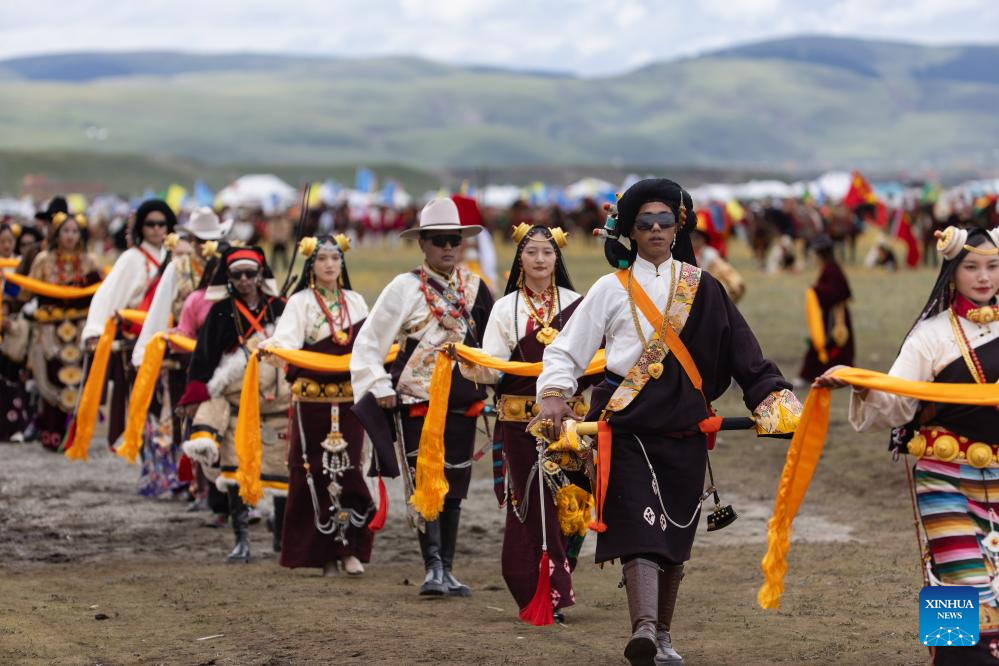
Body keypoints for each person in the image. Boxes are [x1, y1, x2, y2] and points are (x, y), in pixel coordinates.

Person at [534, 178, 801, 666]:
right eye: (644, 223)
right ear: (630, 232)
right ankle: (643, 631)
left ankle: (662, 638)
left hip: (685, 430)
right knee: (640, 530)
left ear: (679, 226)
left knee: (674, 536)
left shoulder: (707, 288)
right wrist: (553, 393)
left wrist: (772, 398)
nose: (655, 229)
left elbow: (746, 354)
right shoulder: (608, 289)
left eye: (665, 221)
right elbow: (564, 351)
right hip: (625, 429)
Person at [816, 225, 999, 665]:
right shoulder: (930, 336)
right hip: (944, 474)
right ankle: (955, 659)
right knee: (957, 575)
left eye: (993, 266)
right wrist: (859, 385)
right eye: (971, 267)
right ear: (951, 273)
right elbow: (897, 401)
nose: (983, 277)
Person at [350, 197, 493, 597]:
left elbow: (492, 345)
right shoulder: (403, 287)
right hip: (417, 403)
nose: (447, 248)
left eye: (454, 240)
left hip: (464, 404)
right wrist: (378, 386)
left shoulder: (477, 288)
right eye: (438, 240)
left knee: (456, 485)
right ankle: (431, 566)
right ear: (423, 245)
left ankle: (447, 567)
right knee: (425, 483)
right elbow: (369, 343)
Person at [459, 223, 590, 622]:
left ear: (557, 258)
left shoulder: (579, 303)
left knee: (572, 502)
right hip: (519, 426)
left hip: (570, 424)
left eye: (546, 253)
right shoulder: (505, 307)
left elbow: (593, 358)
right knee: (531, 504)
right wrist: (470, 362)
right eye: (531, 252)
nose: (538, 259)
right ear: (520, 258)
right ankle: (537, 590)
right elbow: (494, 370)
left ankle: (559, 578)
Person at [261, 235, 375, 576]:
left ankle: (350, 548)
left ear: (342, 264)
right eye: (322, 258)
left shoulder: (355, 302)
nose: (329, 264)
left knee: (351, 468)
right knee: (314, 471)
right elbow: (286, 341)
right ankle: (322, 552)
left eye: (335, 258)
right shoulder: (300, 302)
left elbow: (370, 341)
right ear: (311, 265)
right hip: (312, 400)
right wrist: (271, 347)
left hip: (348, 398)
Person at [178, 246, 287, 563]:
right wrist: (194, 394)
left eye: (250, 273)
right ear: (228, 278)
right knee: (236, 470)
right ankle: (242, 541)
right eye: (236, 274)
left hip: (275, 401)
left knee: (278, 468)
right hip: (235, 401)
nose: (244, 280)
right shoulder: (220, 311)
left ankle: (280, 539)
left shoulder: (279, 307)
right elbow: (205, 357)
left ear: (260, 275)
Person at [129, 208, 231, 497]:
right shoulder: (177, 267)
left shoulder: (229, 265)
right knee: (181, 419)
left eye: (210, 240)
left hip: (221, 358)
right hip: (183, 356)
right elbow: (160, 309)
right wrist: (145, 353)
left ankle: (216, 487)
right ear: (191, 239)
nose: (204, 246)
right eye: (199, 240)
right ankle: (190, 483)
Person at [81, 199, 175, 448]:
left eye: (162, 224)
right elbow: (106, 296)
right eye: (150, 224)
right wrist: (95, 330)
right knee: (142, 400)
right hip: (137, 342)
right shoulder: (131, 259)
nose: (157, 229)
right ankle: (144, 450)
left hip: (171, 339)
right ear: (140, 228)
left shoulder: (176, 259)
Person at [24, 213, 103, 449]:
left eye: (74, 231)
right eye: (65, 231)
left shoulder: (89, 261)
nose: (70, 236)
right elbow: (27, 292)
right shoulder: (42, 260)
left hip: (79, 327)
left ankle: (76, 436)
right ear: (56, 234)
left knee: (79, 380)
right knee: (50, 375)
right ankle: (51, 433)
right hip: (49, 329)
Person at [798, 234, 854, 384]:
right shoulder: (830, 268)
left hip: (835, 316)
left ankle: (811, 375)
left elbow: (838, 292)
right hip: (829, 314)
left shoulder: (832, 270)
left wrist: (815, 290)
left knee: (830, 344)